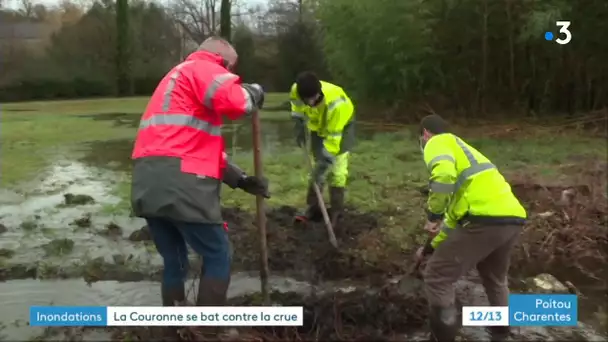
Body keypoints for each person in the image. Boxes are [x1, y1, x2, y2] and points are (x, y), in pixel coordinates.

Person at [130, 36, 269, 337]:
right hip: (182, 181)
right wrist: (254, 92)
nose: (231, 75)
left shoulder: (174, 81)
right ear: (222, 60)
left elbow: (192, 148)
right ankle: (207, 331)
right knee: (218, 254)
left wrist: (240, 180)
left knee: (175, 259)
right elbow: (237, 101)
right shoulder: (204, 67)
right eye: (231, 69)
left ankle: (172, 327)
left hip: (146, 181)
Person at [414, 114, 527, 342]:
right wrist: (430, 248)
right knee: (495, 279)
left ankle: (442, 337)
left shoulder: (438, 142)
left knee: (437, 277)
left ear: (425, 133)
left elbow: (443, 175)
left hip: (482, 220)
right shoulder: (465, 153)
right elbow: (453, 221)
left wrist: (433, 216)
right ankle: (501, 333)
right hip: (512, 218)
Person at [289, 71, 355, 225]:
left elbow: (333, 140)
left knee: (337, 168)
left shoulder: (337, 105)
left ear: (319, 92)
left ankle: (337, 211)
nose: (311, 103)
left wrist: (325, 161)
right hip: (318, 127)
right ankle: (313, 207)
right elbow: (297, 107)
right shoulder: (296, 90)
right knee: (315, 166)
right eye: (307, 100)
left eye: (314, 99)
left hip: (340, 129)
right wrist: (298, 123)